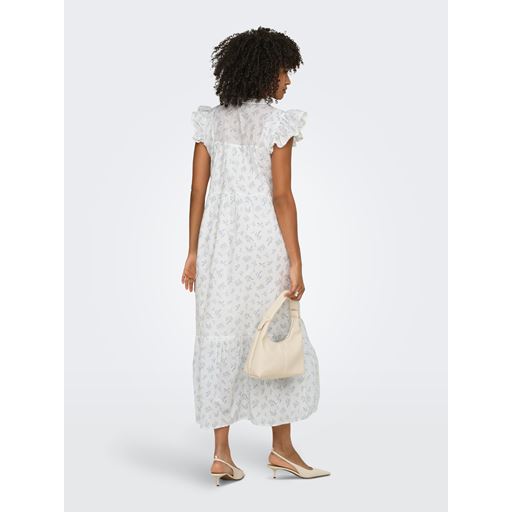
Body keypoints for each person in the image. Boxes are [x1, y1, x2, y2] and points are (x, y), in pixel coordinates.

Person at [181, 26, 330, 484]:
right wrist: (296, 260)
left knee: (220, 337)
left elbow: (197, 191)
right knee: (276, 335)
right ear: (265, 72)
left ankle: (222, 454)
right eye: (284, 71)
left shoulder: (210, 122)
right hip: (264, 246)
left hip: (218, 248)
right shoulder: (276, 125)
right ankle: (282, 448)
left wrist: (192, 252)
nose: (288, 80)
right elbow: (282, 197)